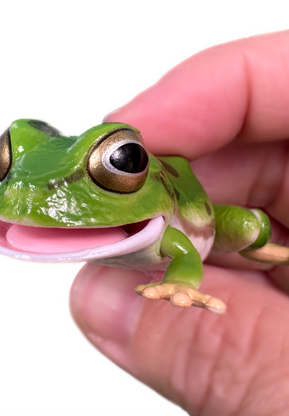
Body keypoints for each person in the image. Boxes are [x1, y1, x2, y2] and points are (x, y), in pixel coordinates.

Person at [69, 31, 289, 416]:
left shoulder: (165, 229)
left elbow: (185, 251)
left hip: (205, 226)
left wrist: (179, 284)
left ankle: (260, 246)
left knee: (248, 224)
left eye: (119, 163)